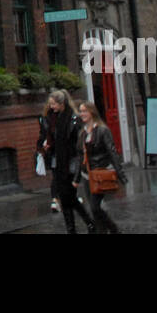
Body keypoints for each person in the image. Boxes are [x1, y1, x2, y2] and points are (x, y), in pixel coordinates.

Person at [36, 89, 95, 234]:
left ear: (61, 103)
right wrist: (47, 145)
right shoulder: (51, 118)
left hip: (71, 161)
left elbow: (79, 142)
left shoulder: (73, 119)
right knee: (64, 196)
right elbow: (48, 135)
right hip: (58, 160)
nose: (51, 107)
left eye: (53, 104)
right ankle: (73, 227)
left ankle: (88, 222)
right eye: (50, 104)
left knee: (69, 196)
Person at [77, 100, 126, 234]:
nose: (82, 114)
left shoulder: (102, 130)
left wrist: (120, 173)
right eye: (80, 111)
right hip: (87, 175)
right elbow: (80, 157)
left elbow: (112, 152)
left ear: (92, 112)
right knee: (94, 209)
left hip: (99, 173)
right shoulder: (82, 133)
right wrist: (76, 179)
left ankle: (113, 228)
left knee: (95, 207)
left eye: (84, 111)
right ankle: (103, 230)